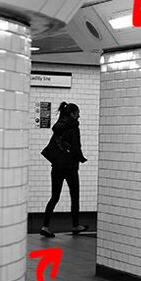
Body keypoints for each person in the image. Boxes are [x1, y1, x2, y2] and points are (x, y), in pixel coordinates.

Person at [40, 101, 89, 238]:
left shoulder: (58, 126)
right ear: (73, 114)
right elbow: (75, 147)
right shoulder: (73, 127)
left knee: (54, 197)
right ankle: (75, 225)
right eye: (78, 113)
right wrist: (81, 158)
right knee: (74, 195)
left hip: (56, 166)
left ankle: (45, 226)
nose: (79, 115)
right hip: (70, 167)